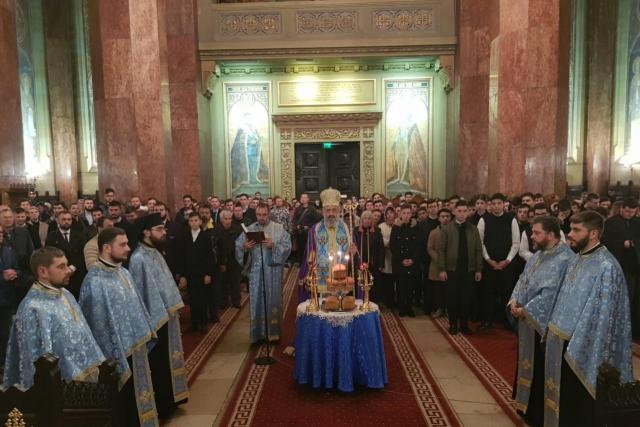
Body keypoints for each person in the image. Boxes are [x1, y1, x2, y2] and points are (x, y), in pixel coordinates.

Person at [544, 211, 633, 427]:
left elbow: (603, 316)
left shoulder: (606, 266)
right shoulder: (577, 258)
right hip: (563, 341)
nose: (569, 234)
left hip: (583, 347)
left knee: (580, 408)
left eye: (576, 230)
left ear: (593, 233)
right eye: (570, 229)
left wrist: (577, 342)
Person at [79, 228, 159, 426]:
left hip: (136, 348)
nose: (128, 248)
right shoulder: (94, 281)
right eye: (122, 244)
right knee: (124, 408)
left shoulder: (123, 272)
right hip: (117, 356)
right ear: (107, 248)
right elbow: (98, 326)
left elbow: (138, 306)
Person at [1, 247, 105, 391]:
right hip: (57, 390)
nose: (68, 270)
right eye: (61, 267)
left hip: (84, 383)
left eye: (67, 265)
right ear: (43, 272)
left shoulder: (65, 294)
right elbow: (34, 362)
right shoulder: (32, 308)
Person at [508, 216, 575, 427]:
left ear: (551, 235)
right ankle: (524, 405)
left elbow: (551, 294)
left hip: (546, 327)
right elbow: (523, 279)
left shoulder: (565, 259)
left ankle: (537, 414)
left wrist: (525, 310)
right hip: (528, 322)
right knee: (528, 363)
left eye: (537, 233)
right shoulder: (538, 255)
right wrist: (514, 300)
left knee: (541, 369)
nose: (532, 236)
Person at [128, 213, 189, 417]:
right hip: (155, 319)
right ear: (146, 232)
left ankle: (172, 398)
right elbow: (140, 293)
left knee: (168, 359)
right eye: (159, 229)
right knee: (159, 363)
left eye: (164, 228)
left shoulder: (154, 252)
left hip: (167, 315)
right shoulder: (138, 258)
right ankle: (163, 405)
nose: (164, 232)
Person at [236, 203, 291, 343]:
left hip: (273, 272)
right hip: (256, 273)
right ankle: (257, 334)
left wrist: (274, 246)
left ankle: (273, 333)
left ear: (269, 214)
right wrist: (245, 247)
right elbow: (238, 247)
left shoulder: (279, 229)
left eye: (264, 214)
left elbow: (287, 247)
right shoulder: (250, 229)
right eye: (259, 215)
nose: (261, 217)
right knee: (256, 301)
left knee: (273, 300)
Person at [296, 188, 352, 301]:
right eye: (328, 210)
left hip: (342, 275)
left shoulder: (347, 229)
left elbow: (352, 253)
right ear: (323, 211)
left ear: (339, 211)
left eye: (334, 210)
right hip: (321, 276)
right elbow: (310, 252)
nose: (331, 214)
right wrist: (311, 260)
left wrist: (353, 253)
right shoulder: (315, 229)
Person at [437, 201, 483, 334]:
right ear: (454, 212)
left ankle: (464, 325)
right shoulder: (447, 229)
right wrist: (442, 269)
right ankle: (452, 324)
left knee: (466, 299)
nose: (462, 214)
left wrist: (478, 269)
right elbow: (441, 250)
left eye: (464, 211)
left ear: (468, 212)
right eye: (459, 211)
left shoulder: (473, 229)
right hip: (452, 270)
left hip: (468, 269)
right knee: (452, 298)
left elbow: (478, 250)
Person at [477, 193, 521, 329]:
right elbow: (480, 242)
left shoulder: (511, 219)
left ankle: (507, 321)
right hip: (489, 263)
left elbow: (516, 243)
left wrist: (507, 261)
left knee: (506, 292)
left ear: (503, 204)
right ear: (490, 205)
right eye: (493, 203)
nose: (496, 206)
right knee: (488, 292)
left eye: (499, 203)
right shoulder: (484, 220)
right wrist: (488, 260)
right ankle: (487, 320)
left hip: (507, 264)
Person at [601, 197, 640, 338]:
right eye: (627, 211)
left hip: (634, 266)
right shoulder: (611, 223)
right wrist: (622, 243)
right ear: (621, 209)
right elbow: (605, 241)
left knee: (634, 298)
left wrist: (634, 243)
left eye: (633, 212)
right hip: (618, 264)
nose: (630, 214)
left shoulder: (638, 222)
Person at [177, 213, 215, 332]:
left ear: (200, 222)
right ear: (189, 223)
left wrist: (208, 273)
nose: (193, 223)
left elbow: (209, 256)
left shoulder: (205, 236)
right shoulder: (185, 236)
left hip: (202, 272)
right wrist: (183, 275)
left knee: (202, 298)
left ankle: (203, 323)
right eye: (191, 221)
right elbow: (182, 256)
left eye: (195, 220)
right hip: (190, 272)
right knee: (192, 299)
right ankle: (194, 323)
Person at [45, 211, 87, 298]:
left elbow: (82, 253)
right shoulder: (51, 236)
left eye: (69, 219)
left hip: (77, 273)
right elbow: (49, 255)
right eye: (63, 219)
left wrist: (73, 267)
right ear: (58, 220)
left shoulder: (79, 235)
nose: (66, 222)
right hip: (59, 275)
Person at [390, 204, 420, 317]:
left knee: (411, 287)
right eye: (404, 213)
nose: (406, 215)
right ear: (400, 214)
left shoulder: (416, 227)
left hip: (413, 262)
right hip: (400, 263)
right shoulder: (396, 228)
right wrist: (401, 260)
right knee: (401, 286)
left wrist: (413, 259)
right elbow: (393, 245)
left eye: (408, 213)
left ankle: (409, 307)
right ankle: (402, 307)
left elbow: (419, 246)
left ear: (411, 214)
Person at [212, 210, 242, 309]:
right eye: (226, 219)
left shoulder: (237, 229)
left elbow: (240, 243)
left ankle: (236, 300)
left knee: (235, 281)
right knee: (223, 282)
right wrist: (221, 262)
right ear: (221, 220)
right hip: (222, 260)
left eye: (229, 218)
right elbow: (216, 247)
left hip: (234, 258)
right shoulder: (217, 230)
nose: (228, 221)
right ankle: (223, 301)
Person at [353, 210, 385, 301]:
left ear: (372, 220)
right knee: (360, 284)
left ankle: (372, 302)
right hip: (359, 264)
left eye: (369, 218)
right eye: (365, 218)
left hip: (373, 264)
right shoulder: (356, 231)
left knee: (372, 285)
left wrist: (381, 264)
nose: (367, 220)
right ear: (361, 220)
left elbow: (381, 249)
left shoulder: (377, 232)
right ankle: (360, 301)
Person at [0, 225, 20, 362]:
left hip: (7, 299)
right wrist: (3, 277)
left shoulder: (9, 250)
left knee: (6, 333)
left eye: (1, 232)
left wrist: (15, 273)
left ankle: (4, 362)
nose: (0, 235)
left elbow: (18, 268)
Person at [426, 208, 451, 318]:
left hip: (450, 265)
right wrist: (440, 260)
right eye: (443, 216)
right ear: (439, 218)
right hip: (436, 265)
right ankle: (439, 308)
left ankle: (449, 309)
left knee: (449, 289)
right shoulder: (433, 232)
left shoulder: (453, 232)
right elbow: (430, 248)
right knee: (438, 289)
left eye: (447, 216)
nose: (445, 218)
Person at [291, 193, 322, 263]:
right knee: (300, 248)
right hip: (299, 232)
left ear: (308, 199)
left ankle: (308, 262)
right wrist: (297, 225)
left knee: (308, 248)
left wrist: (309, 225)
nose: (303, 199)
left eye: (305, 197)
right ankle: (301, 262)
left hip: (308, 232)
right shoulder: (298, 209)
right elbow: (294, 219)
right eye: (302, 197)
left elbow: (319, 218)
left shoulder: (312, 209)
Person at [379, 207, 397, 309]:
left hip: (396, 257)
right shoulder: (381, 226)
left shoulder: (398, 225)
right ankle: (388, 301)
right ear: (385, 216)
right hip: (386, 257)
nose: (390, 215)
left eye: (392, 213)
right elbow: (383, 242)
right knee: (387, 282)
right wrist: (392, 243)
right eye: (388, 213)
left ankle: (395, 300)